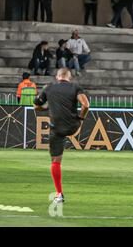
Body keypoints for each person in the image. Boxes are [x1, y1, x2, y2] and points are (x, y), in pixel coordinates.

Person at [34, 68, 90, 204]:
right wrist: (81, 120)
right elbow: (86, 105)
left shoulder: (49, 87)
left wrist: (46, 108)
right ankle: (74, 129)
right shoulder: (75, 87)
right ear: (69, 77)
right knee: (71, 128)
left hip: (56, 128)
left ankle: (59, 194)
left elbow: (36, 106)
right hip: (73, 126)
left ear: (57, 76)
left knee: (55, 161)